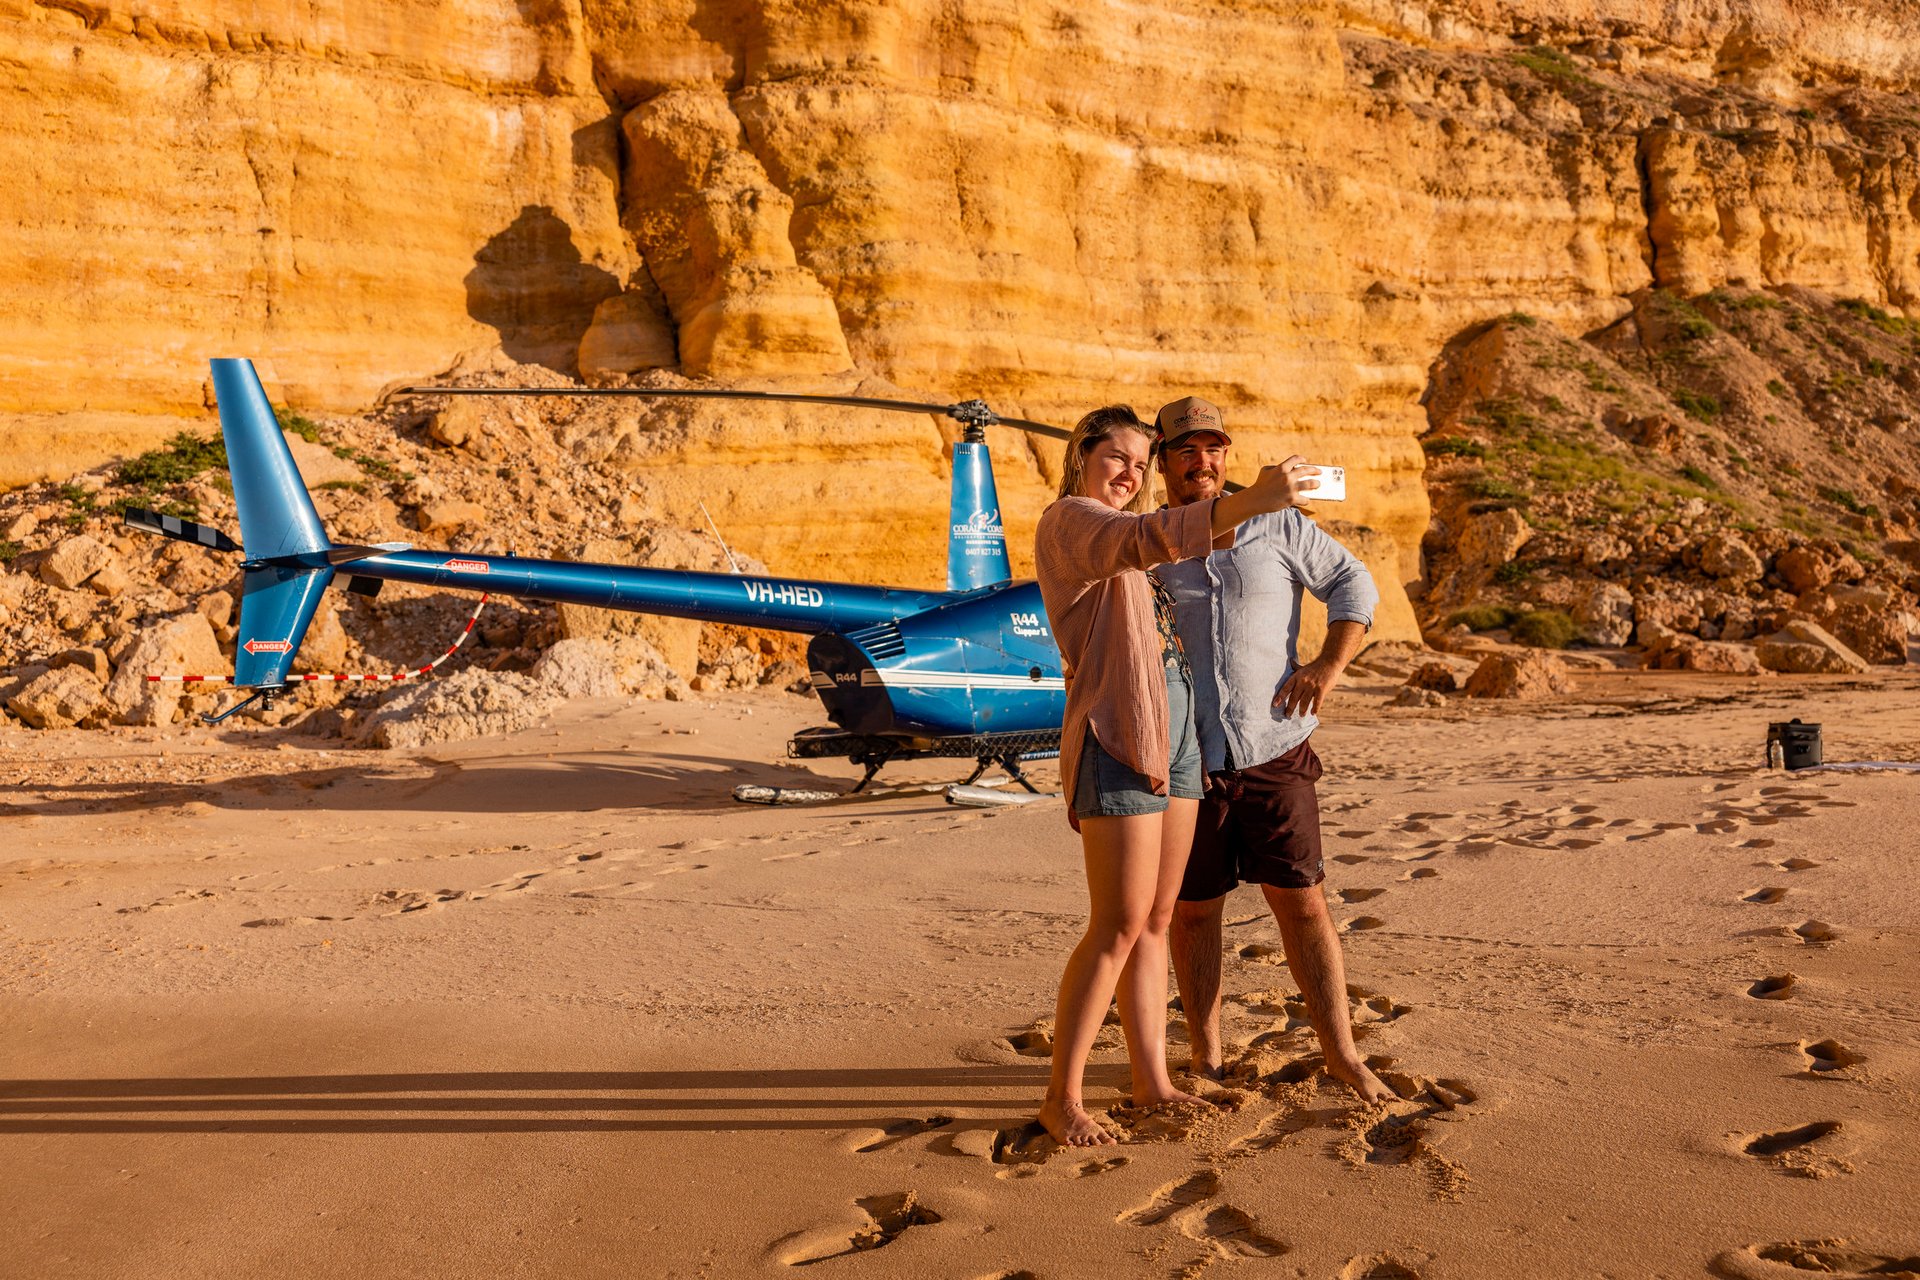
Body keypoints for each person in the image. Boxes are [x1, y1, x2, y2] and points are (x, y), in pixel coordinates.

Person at [1031, 404, 1319, 1146]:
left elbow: (1180, 542)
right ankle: (1061, 1097)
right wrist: (1255, 496)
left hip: (1177, 740)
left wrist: (1259, 518)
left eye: (1139, 462)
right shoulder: (1072, 521)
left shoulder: (1126, 532)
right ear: (1082, 457)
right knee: (1119, 924)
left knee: (1159, 920)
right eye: (1115, 458)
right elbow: (1146, 537)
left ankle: (1151, 1079)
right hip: (1118, 736)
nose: (1128, 473)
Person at [1150, 395, 1395, 1104]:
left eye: (1215, 447)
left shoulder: (1279, 521)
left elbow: (1354, 582)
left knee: (1304, 903)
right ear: (1163, 460)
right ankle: (1206, 1057)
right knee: (1194, 912)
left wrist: (1328, 665)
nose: (1203, 461)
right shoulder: (1151, 538)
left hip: (1275, 748)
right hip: (1186, 759)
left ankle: (1343, 1055)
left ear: (1228, 455)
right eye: (1187, 449)